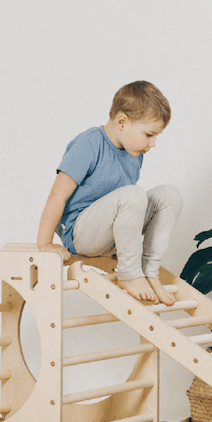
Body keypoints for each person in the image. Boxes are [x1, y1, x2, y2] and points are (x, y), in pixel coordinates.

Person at [37, 80, 183, 305]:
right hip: (81, 234)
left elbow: (128, 211)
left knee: (169, 195)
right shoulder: (89, 144)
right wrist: (45, 244)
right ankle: (130, 274)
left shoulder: (134, 153)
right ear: (122, 122)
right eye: (148, 134)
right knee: (134, 194)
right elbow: (58, 194)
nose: (152, 143)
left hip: (109, 233)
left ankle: (149, 271)